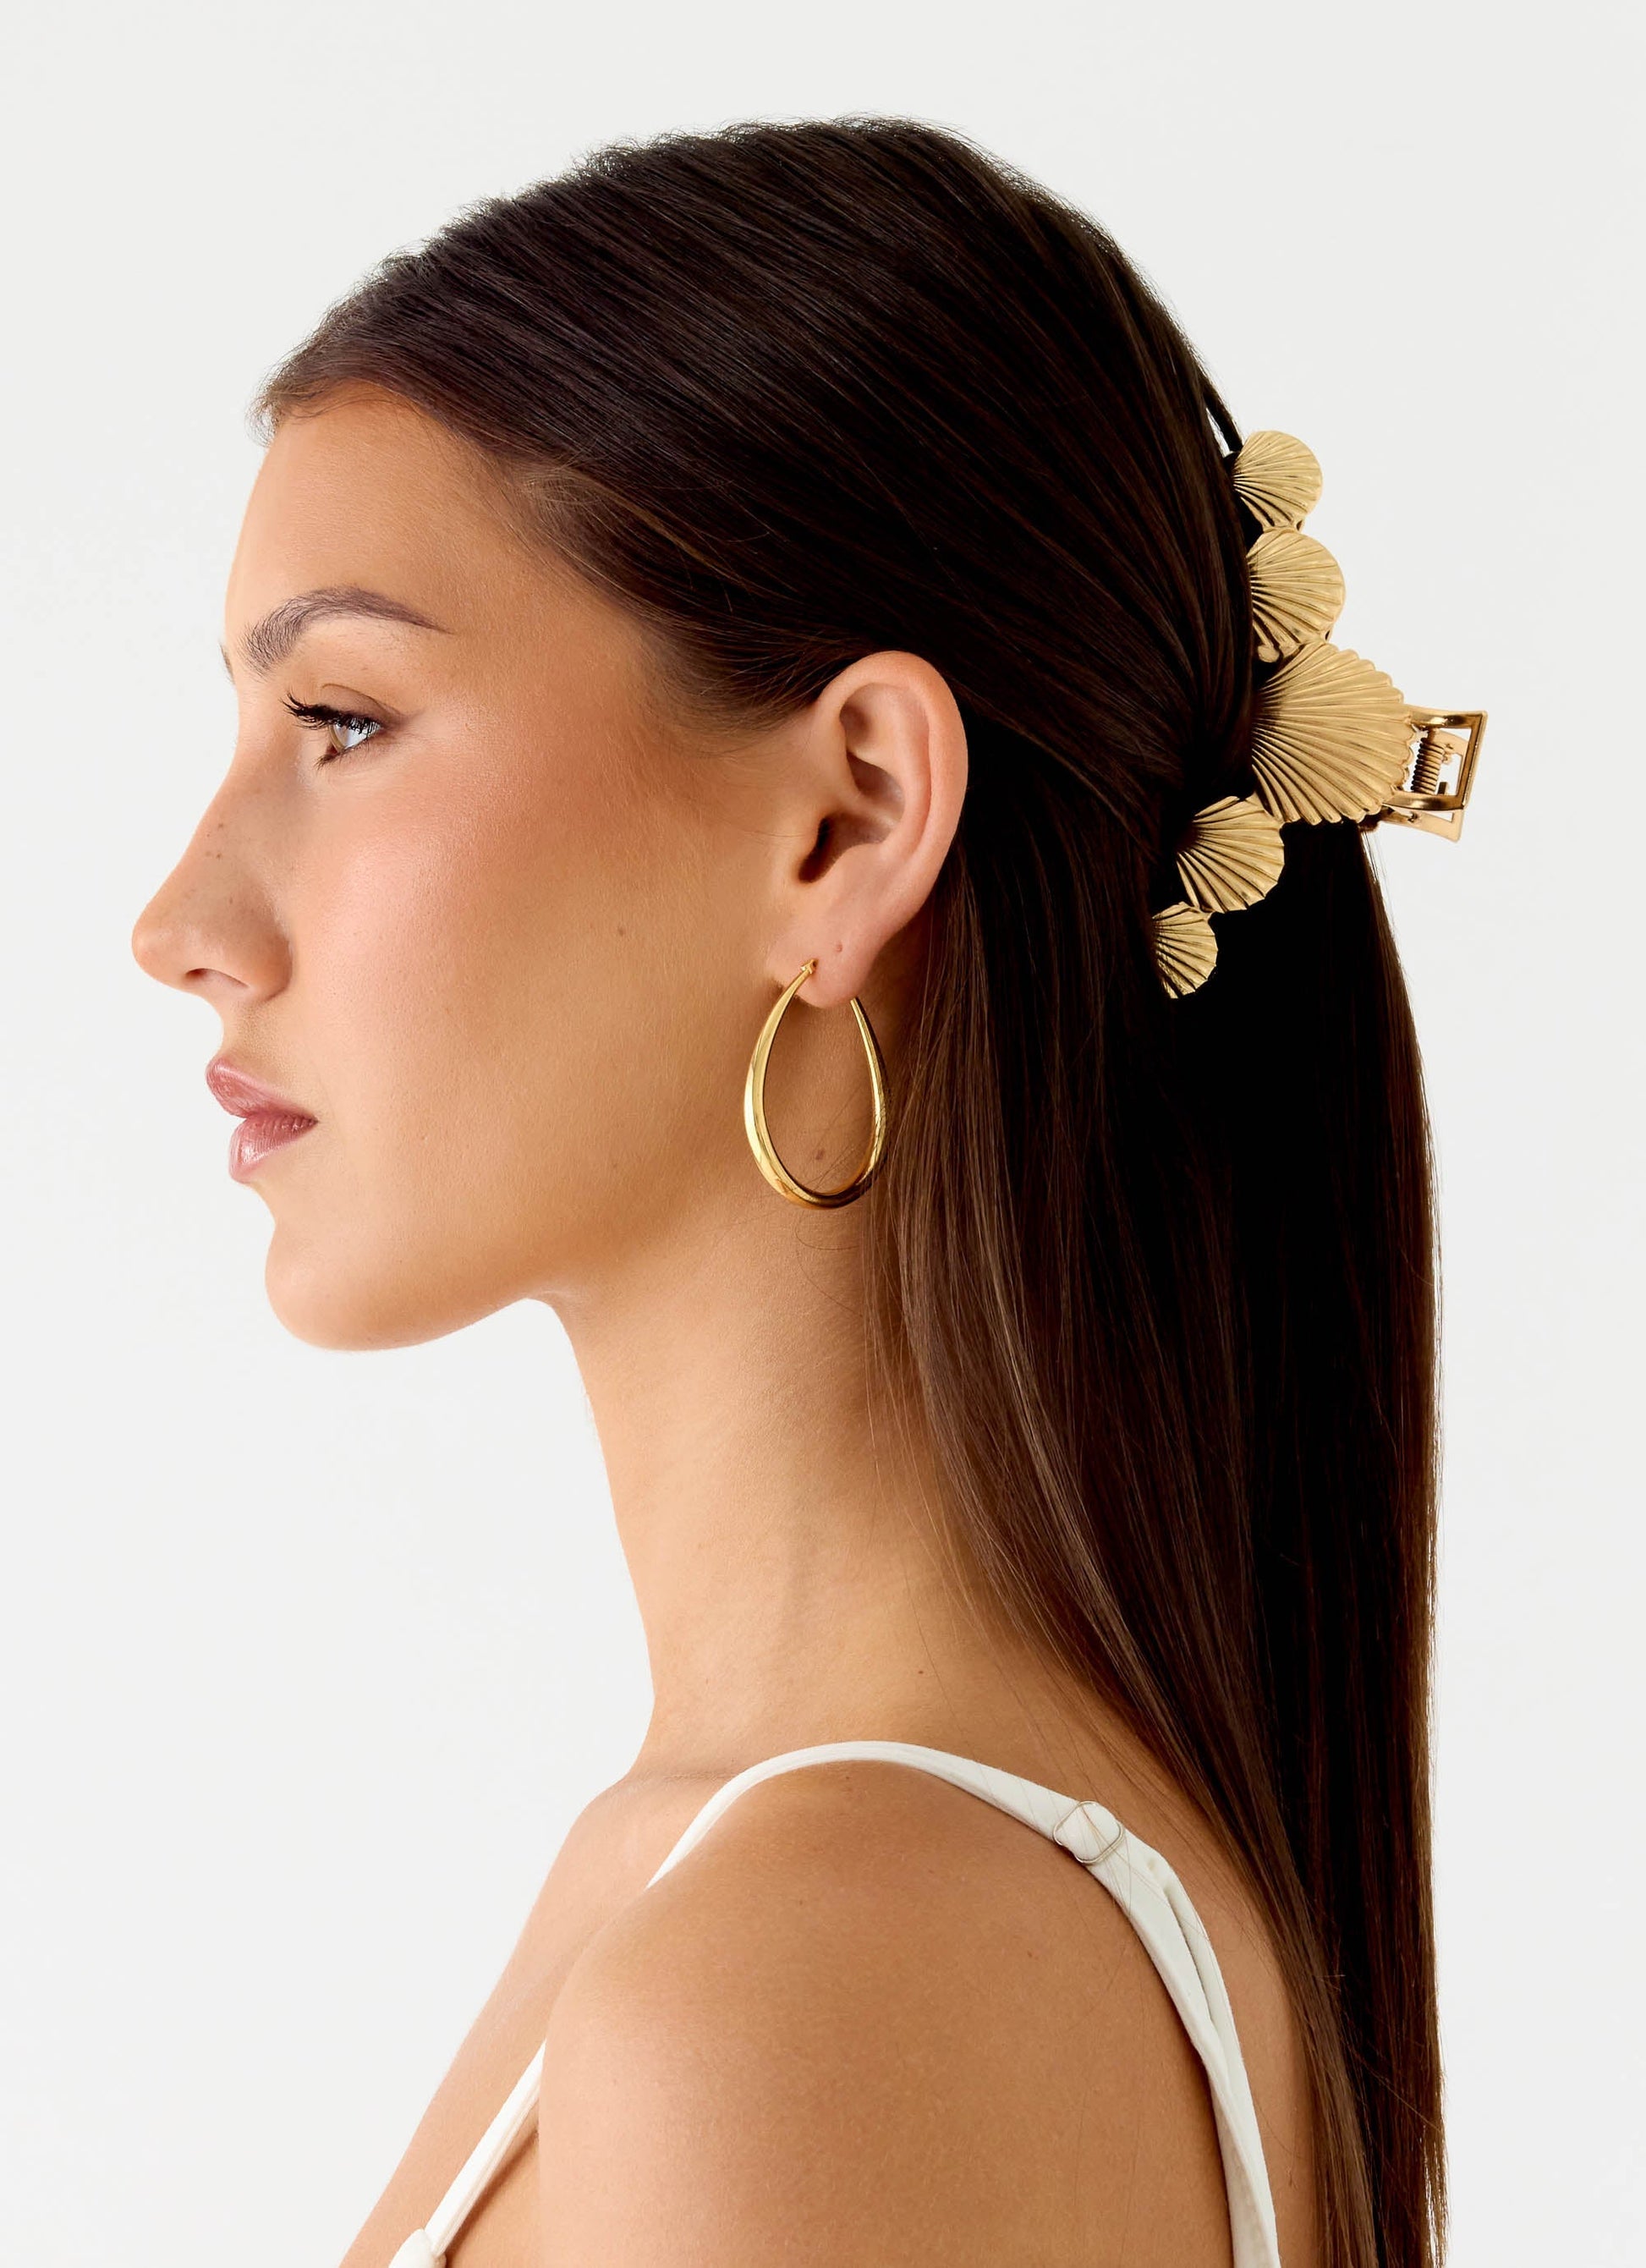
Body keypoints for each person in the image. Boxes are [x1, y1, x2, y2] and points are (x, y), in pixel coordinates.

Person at [132, 117, 1474, 2268]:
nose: (182, 923)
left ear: (848, 820)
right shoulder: (788, 1890)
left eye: (347, 718)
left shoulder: (812, 1979)